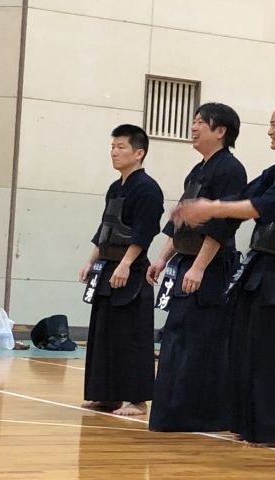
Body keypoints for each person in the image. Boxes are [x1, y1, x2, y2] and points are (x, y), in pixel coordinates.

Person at [176, 102, 275, 447]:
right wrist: (208, 208)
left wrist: (212, 208)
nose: (269, 131)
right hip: (261, 265)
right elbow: (246, 196)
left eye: (274, 124)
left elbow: (262, 207)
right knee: (250, 345)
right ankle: (250, 422)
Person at [147, 103, 247, 432]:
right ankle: (174, 412)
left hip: (211, 268)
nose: (193, 127)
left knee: (203, 340)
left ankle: (203, 415)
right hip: (186, 262)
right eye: (194, 121)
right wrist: (162, 258)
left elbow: (223, 224)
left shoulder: (230, 170)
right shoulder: (197, 170)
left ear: (220, 131)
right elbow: (180, 220)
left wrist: (200, 267)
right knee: (177, 335)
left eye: (201, 122)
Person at [79, 124, 164, 416]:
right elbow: (105, 228)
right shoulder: (116, 188)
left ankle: (136, 400)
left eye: (121, 147)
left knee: (131, 335)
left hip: (132, 271)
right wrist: (91, 261)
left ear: (138, 153)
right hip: (107, 267)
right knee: (105, 333)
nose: (114, 152)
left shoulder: (148, 189)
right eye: (112, 147)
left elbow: (144, 231)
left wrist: (126, 264)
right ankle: (107, 395)